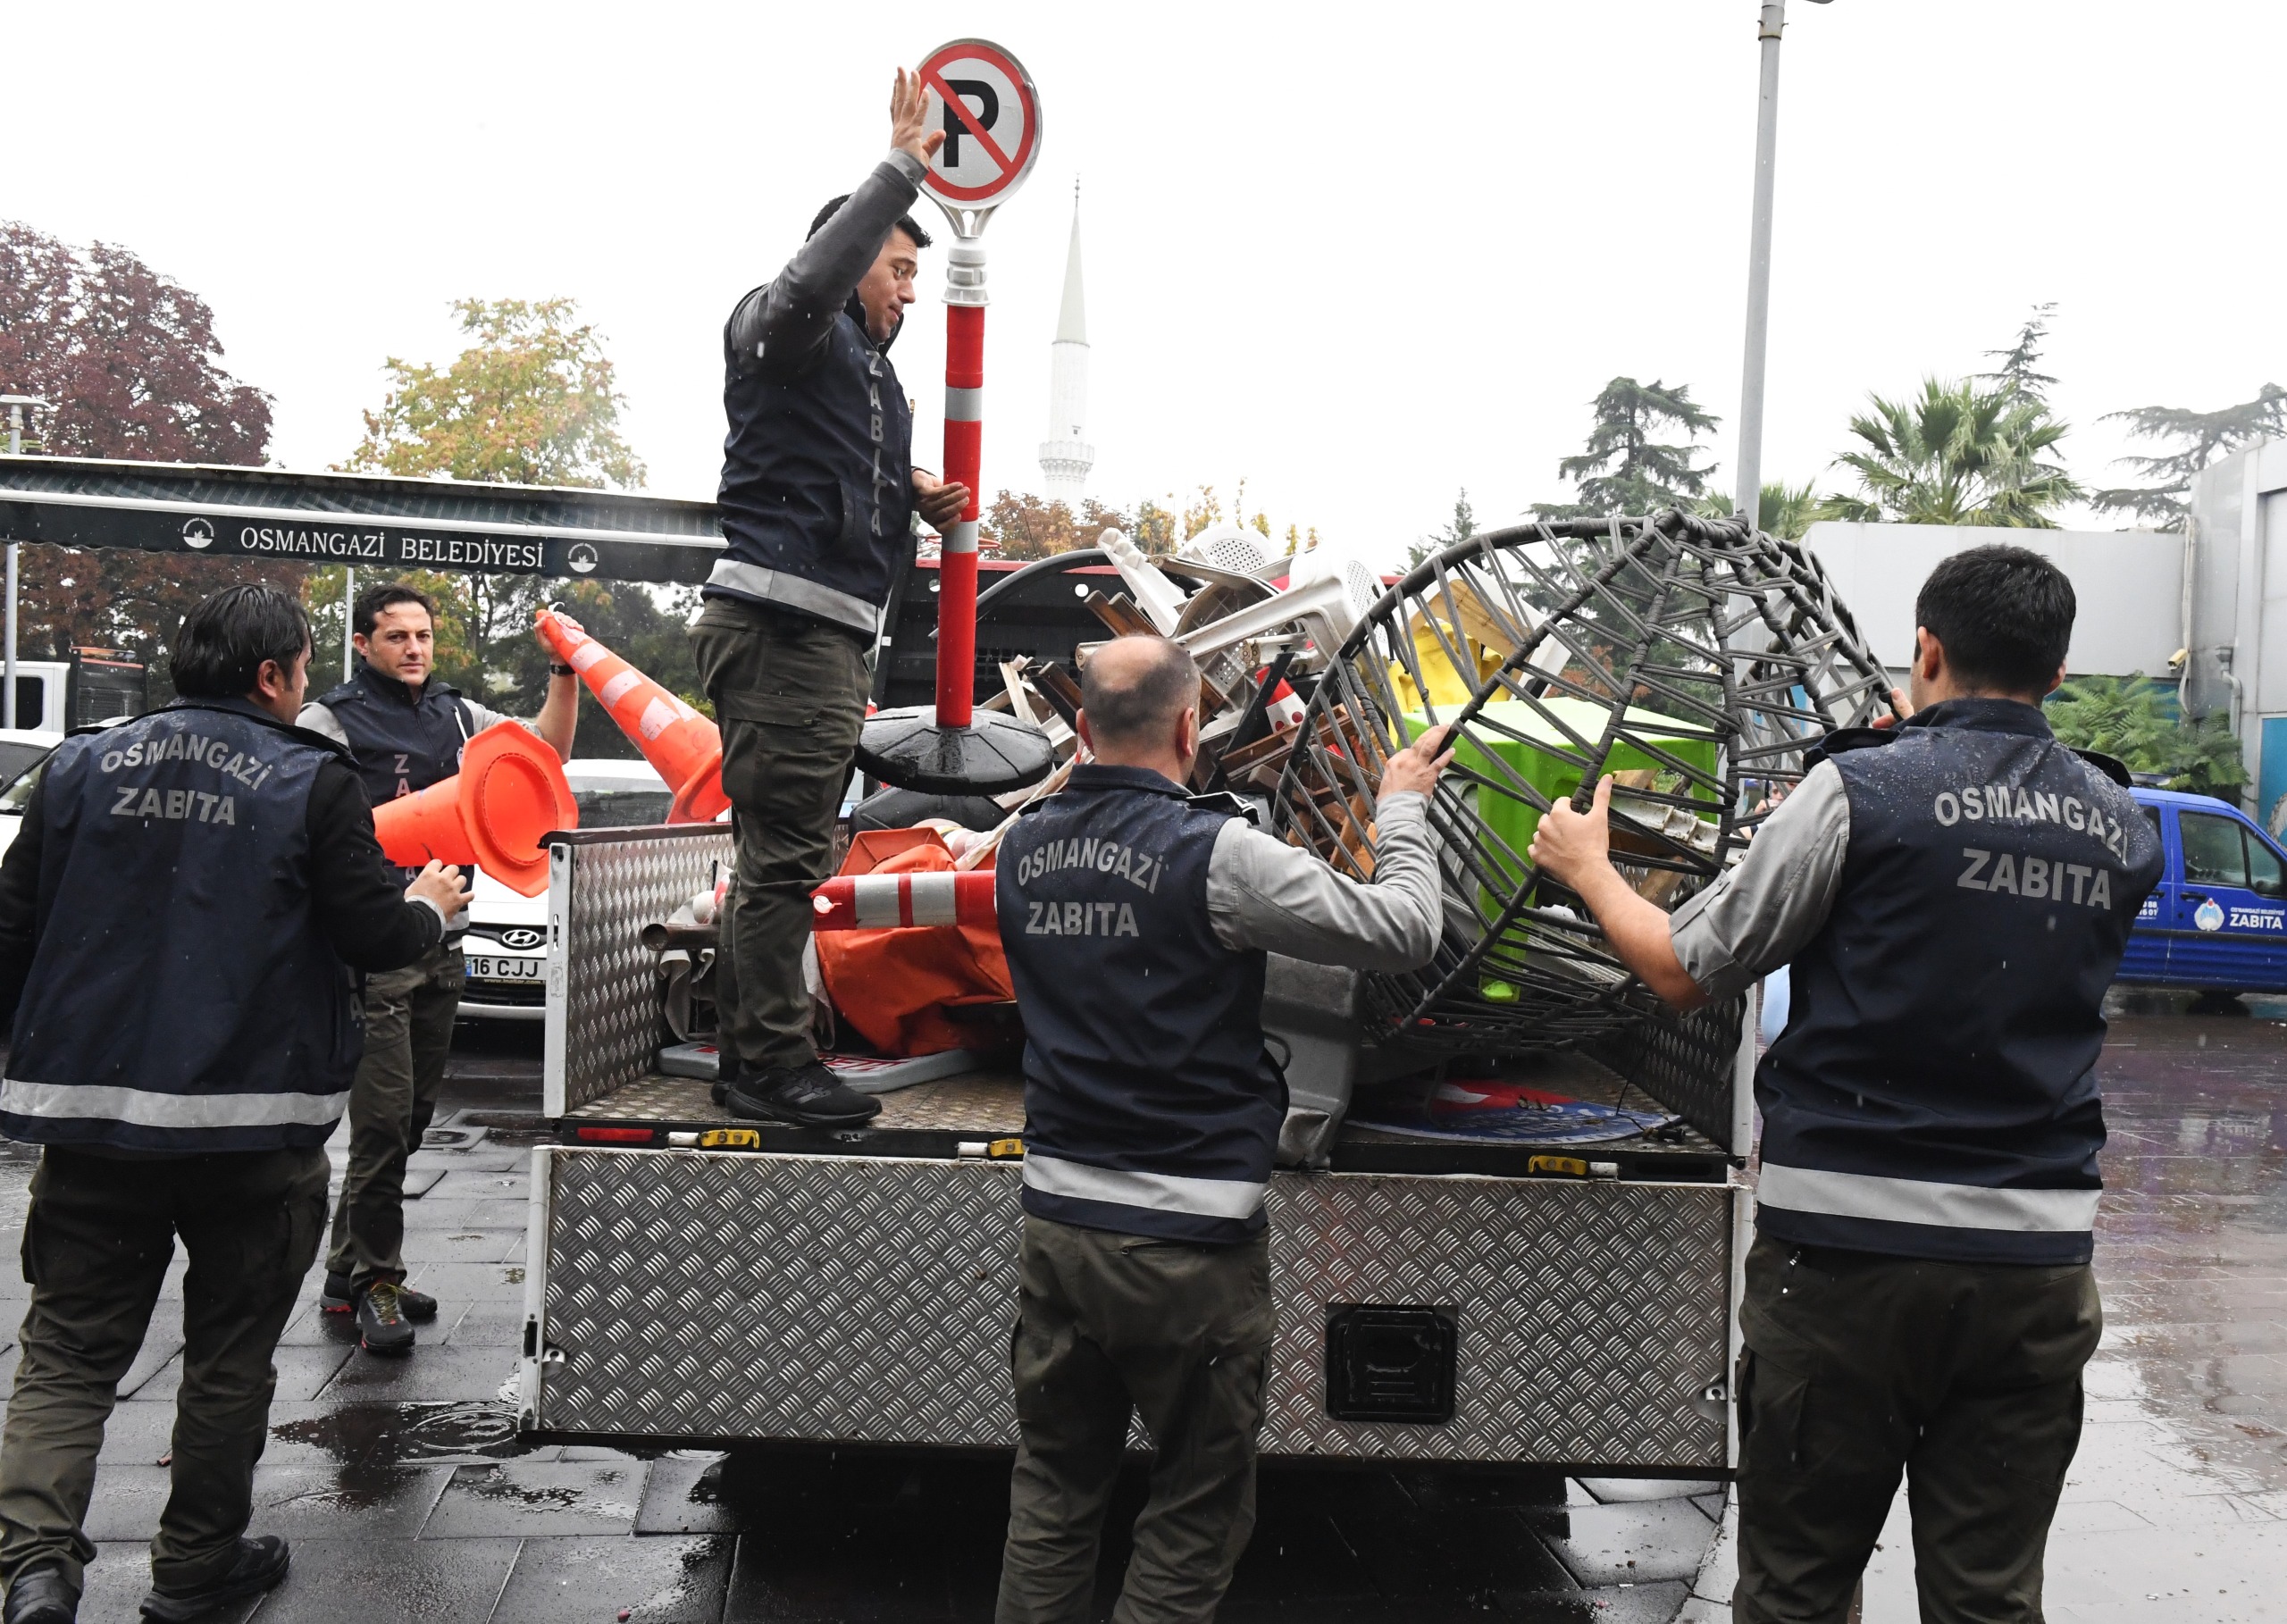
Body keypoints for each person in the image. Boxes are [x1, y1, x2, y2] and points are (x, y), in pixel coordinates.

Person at [1528, 545, 2164, 1624]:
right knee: (1989, 1599)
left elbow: (1681, 969)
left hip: (1845, 1262)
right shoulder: (2122, 824)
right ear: (2058, 672)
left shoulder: (1858, 791)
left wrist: (1586, 868)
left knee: (1799, 1588)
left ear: (1925, 648)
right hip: (2033, 1269)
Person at [0, 585, 467, 1624]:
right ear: (271, 676)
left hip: (92, 1126)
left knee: (67, 1355)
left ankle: (33, 1570)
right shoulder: (312, 778)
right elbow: (370, 935)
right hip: (252, 1130)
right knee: (227, 1358)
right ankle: (195, 1567)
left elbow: (11, 930)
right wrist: (428, 911)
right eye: (299, 669)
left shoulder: (78, 766)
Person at [993, 635, 1452, 1624]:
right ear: (1191, 727)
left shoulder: (1023, 844)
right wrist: (1402, 805)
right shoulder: (1218, 853)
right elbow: (1405, 930)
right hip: (1188, 1243)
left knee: (1054, 1493)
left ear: (1082, 728)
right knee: (1196, 1510)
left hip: (1059, 1226)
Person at [691, 66, 970, 1131]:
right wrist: (899, 167)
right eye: (897, 268)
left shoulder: (855, 369)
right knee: (784, 860)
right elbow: (805, 292)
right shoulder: (785, 321)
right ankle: (766, 1064)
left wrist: (907, 487)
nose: (909, 292)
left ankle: (761, 1055)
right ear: (848, 261)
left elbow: (809, 466)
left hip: (810, 636)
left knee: (788, 853)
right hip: (787, 632)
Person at [297, 580, 575, 1355]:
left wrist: (565, 670)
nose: (414, 648)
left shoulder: (458, 714)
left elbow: (544, 756)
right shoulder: (329, 719)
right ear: (362, 644)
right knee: (383, 1124)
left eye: (422, 635)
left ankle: (346, 1270)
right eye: (396, 636)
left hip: (444, 945)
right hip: (374, 951)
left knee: (411, 1122)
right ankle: (376, 1280)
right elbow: (296, 812)